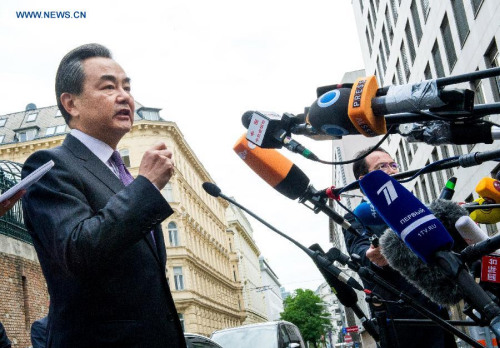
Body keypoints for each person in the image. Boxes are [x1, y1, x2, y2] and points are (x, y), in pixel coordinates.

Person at [21, 43, 186, 348]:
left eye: (127, 87)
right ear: (72, 104)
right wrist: (145, 187)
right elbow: (77, 250)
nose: (125, 96)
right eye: (109, 87)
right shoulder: (50, 166)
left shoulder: (119, 172)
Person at [343, 147, 457, 348]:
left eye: (393, 164)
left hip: (438, 312)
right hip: (400, 320)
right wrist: (372, 254)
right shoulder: (356, 216)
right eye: (382, 167)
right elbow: (360, 251)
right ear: (364, 180)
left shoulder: (416, 209)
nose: (392, 170)